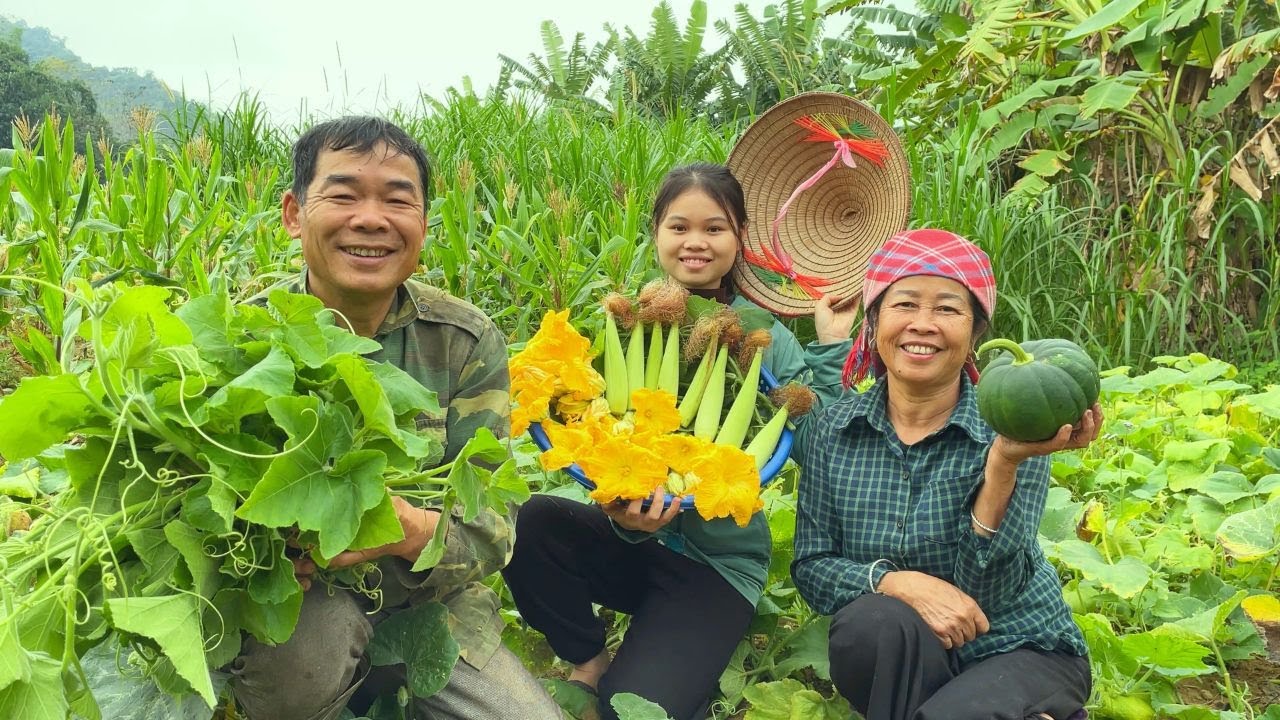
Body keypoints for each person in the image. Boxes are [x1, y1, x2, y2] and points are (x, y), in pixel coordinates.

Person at [230, 116, 562, 720]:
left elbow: (493, 527)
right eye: (344, 194)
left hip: (428, 599)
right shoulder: (243, 336)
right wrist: (265, 558)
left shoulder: (462, 340)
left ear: (424, 224)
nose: (371, 218)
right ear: (293, 212)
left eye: (397, 200)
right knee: (297, 672)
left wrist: (410, 528)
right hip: (304, 599)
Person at [501, 162, 857, 720]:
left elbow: (823, 448)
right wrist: (624, 516)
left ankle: (672, 642)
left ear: (740, 237)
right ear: (657, 232)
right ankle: (588, 660)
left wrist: (832, 346)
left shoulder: (763, 332)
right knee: (532, 523)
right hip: (629, 539)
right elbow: (591, 416)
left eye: (714, 228)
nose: (696, 242)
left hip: (715, 565)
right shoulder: (629, 321)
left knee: (632, 711)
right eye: (679, 226)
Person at [791, 228, 1100, 720]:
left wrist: (1001, 465)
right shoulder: (834, 429)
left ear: (976, 332)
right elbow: (812, 568)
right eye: (905, 305)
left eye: (948, 310)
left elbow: (990, 594)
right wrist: (898, 582)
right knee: (867, 623)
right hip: (908, 651)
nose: (923, 324)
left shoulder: (1014, 424)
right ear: (874, 322)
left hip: (1018, 647)